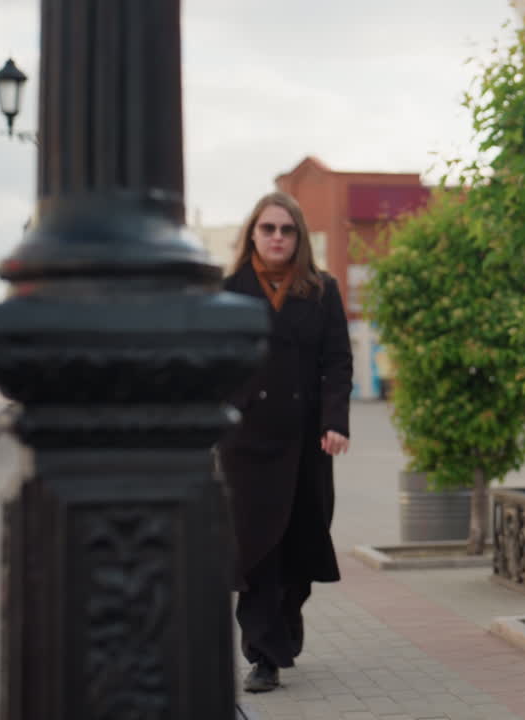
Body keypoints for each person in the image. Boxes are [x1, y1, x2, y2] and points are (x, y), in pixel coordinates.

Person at [218, 191, 353, 693]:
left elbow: (337, 363)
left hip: (306, 443)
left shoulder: (321, 291)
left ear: (298, 237)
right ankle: (263, 656)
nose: (276, 237)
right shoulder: (228, 291)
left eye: (286, 229)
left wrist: (335, 421)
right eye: (267, 228)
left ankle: (284, 627)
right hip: (246, 443)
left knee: (300, 546)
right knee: (256, 553)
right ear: (252, 233)